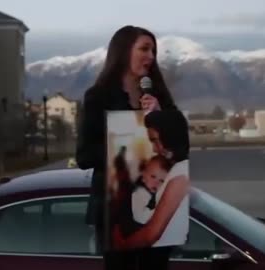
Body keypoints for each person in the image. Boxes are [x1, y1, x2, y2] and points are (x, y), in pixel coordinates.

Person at [76, 25, 178, 270]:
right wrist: (132, 141)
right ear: (123, 51)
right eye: (144, 48)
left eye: (154, 50)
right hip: (117, 209)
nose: (151, 56)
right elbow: (85, 156)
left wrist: (163, 118)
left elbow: (178, 148)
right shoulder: (98, 97)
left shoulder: (159, 96)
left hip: (156, 205)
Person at [113, 109, 191, 270]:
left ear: (170, 136)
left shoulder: (179, 175)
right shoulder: (178, 170)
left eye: (156, 141)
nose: (155, 149)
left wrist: (121, 246)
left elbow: (151, 234)